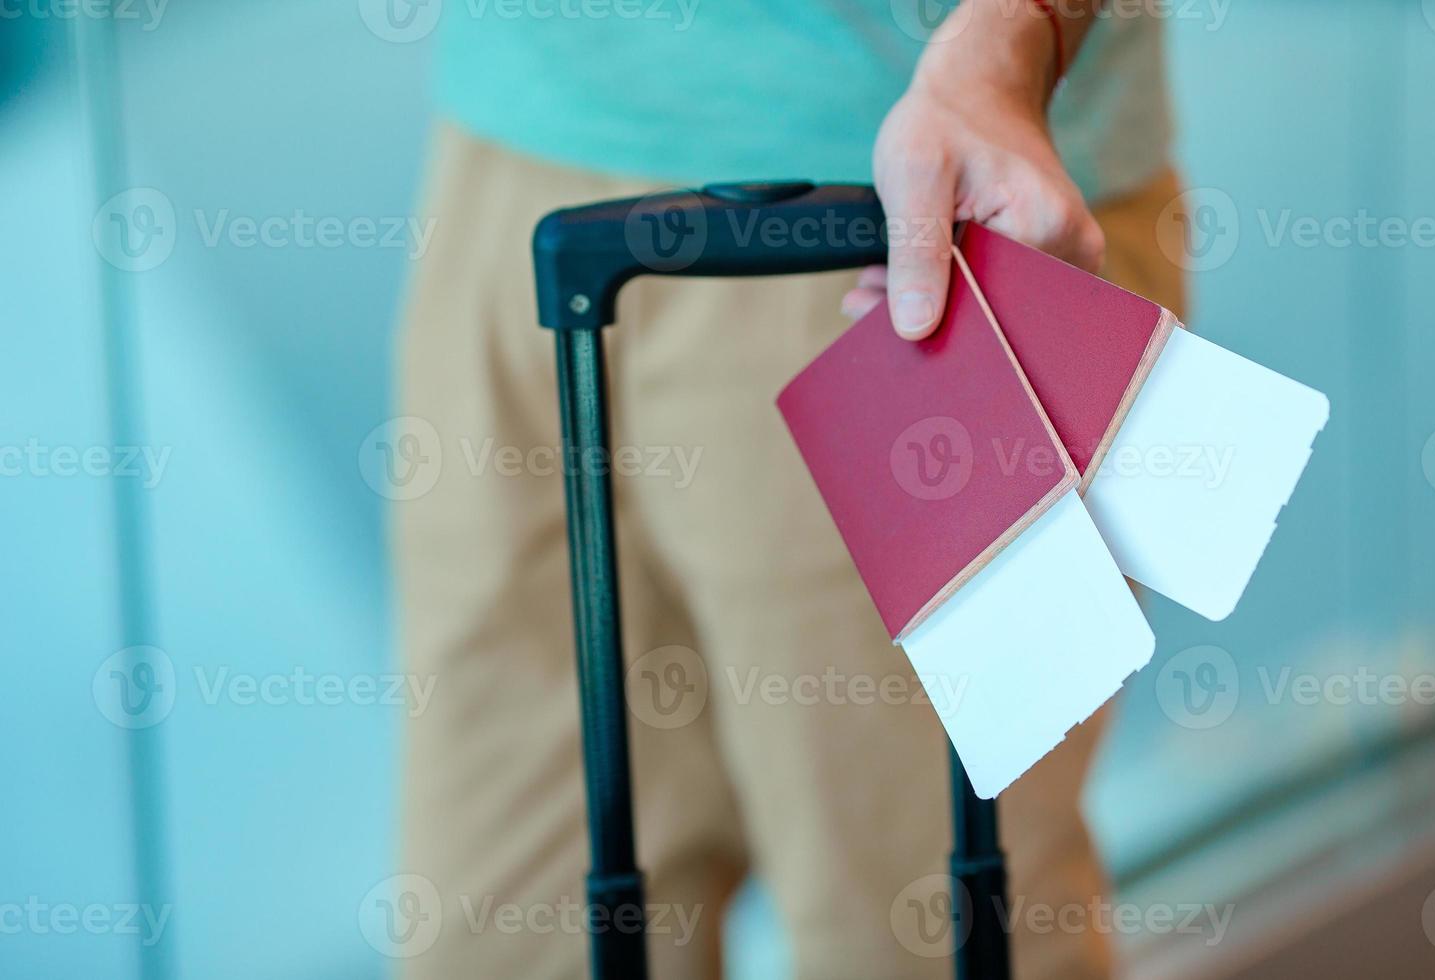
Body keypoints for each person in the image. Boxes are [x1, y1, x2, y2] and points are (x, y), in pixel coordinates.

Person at [394, 1, 1188, 976]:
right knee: (507, 942)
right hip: (509, 153)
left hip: (919, 195)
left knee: (913, 942)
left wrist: (1016, 38)